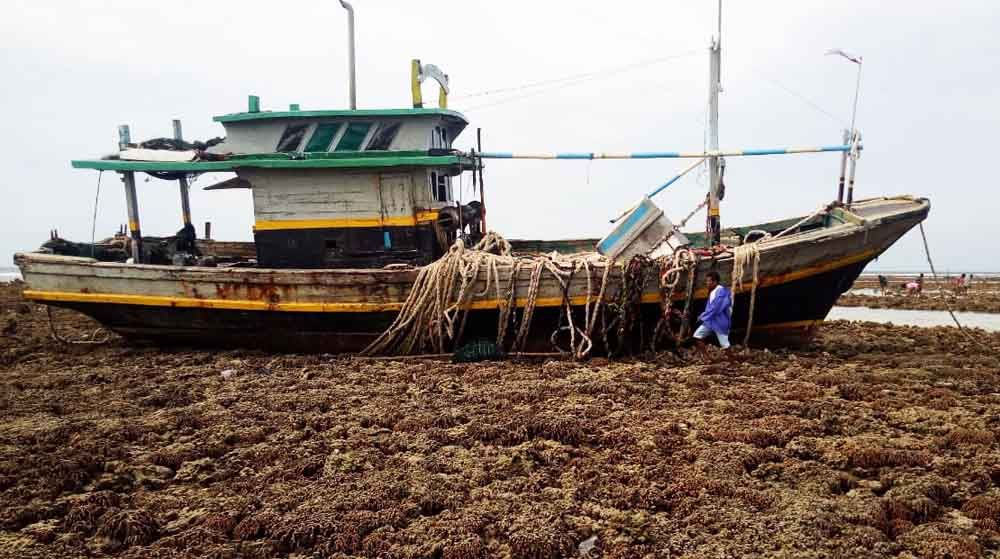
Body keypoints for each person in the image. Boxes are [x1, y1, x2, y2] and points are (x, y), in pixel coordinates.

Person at [692, 271, 732, 359]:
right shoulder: (713, 291)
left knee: (724, 344)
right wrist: (704, 314)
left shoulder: (721, 291)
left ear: (715, 282)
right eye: (706, 281)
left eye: (709, 281)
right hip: (711, 321)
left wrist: (703, 316)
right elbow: (711, 307)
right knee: (697, 336)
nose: (707, 283)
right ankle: (707, 357)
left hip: (719, 321)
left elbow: (716, 308)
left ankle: (732, 361)